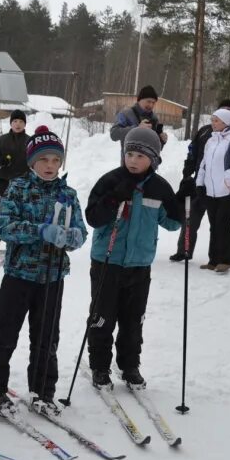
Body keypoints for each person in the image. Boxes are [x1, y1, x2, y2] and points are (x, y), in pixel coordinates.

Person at [0, 126, 87, 415]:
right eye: (44, 160)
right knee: (4, 332)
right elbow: (5, 227)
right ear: (32, 162)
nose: (50, 166)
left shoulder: (68, 193)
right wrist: (39, 230)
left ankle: (43, 391)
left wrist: (74, 237)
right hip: (19, 275)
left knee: (46, 337)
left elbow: (80, 230)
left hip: (52, 277)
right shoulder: (18, 188)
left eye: (55, 160)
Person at [85, 127, 182, 389]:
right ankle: (100, 366)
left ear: (154, 159)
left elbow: (173, 224)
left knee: (133, 319)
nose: (133, 160)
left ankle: (130, 366)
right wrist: (115, 196)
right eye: (129, 153)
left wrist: (180, 201)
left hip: (139, 264)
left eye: (140, 155)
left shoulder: (159, 188)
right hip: (108, 261)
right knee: (102, 316)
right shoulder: (110, 180)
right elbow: (93, 217)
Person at [172, 99, 230, 261]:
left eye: (229, 111)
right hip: (202, 183)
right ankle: (184, 250)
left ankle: (219, 258)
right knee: (191, 218)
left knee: (219, 222)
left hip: (226, 188)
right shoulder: (206, 131)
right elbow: (193, 151)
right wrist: (188, 173)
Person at [193, 107, 230, 273]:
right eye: (212, 120)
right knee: (213, 224)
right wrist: (200, 182)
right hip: (211, 191)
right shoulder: (211, 140)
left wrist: (227, 180)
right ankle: (213, 260)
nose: (213, 123)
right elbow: (203, 164)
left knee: (223, 222)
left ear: (226, 122)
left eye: (216, 120)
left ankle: (226, 259)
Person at [0, 109, 30, 252]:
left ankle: (16, 241)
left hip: (22, 182)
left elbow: (36, 159)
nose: (18, 124)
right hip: (2, 181)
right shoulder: (1, 140)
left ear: (25, 124)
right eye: (15, 121)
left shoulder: (29, 141)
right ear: (11, 123)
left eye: (21, 121)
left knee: (20, 212)